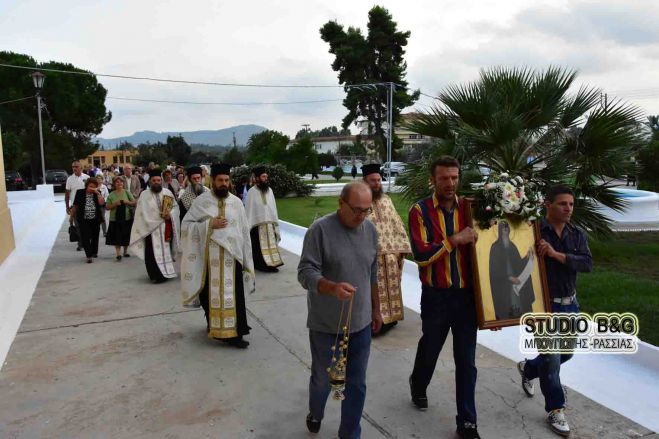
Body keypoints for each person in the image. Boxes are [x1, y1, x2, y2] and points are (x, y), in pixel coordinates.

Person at [298, 182, 383, 438]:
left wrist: (376, 311)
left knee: (356, 384)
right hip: (326, 325)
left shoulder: (370, 231)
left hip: (362, 324)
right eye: (356, 210)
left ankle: (349, 433)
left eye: (366, 210)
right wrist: (332, 287)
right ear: (340, 203)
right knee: (325, 380)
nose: (361, 216)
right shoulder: (319, 231)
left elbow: (372, 275)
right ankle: (316, 411)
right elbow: (305, 273)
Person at [408, 156, 482, 439]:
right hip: (436, 296)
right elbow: (422, 255)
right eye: (444, 178)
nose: (450, 183)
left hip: (466, 299)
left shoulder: (472, 209)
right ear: (433, 180)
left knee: (466, 361)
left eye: (454, 177)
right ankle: (418, 382)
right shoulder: (420, 211)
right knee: (431, 348)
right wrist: (454, 240)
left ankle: (467, 422)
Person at [517, 185, 592, 437]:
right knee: (551, 359)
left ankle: (528, 368)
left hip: (570, 304)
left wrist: (556, 254)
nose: (568, 208)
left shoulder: (577, 234)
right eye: (562, 204)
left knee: (565, 354)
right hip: (543, 305)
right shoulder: (533, 230)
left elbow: (587, 263)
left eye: (571, 204)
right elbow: (522, 261)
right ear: (547, 204)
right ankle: (555, 409)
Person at [180, 163, 255, 349]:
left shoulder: (237, 203)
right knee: (209, 295)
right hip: (209, 259)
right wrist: (208, 224)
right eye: (220, 180)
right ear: (212, 181)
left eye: (226, 180)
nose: (223, 183)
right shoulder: (202, 201)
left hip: (233, 257)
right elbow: (186, 226)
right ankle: (213, 325)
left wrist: (246, 256)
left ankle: (236, 333)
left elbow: (244, 231)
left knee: (234, 296)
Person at [362, 163, 411, 335]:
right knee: (373, 290)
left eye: (378, 180)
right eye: (372, 180)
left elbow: (396, 223)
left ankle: (392, 319)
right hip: (371, 257)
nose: (376, 183)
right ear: (364, 181)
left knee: (392, 288)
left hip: (390, 256)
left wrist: (401, 247)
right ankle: (375, 323)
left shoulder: (387, 200)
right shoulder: (359, 201)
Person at [129, 169, 180, 283]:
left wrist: (170, 215)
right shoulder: (144, 195)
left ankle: (166, 273)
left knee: (166, 251)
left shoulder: (167, 193)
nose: (156, 182)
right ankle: (154, 275)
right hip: (150, 230)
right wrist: (152, 222)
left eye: (158, 180)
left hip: (165, 228)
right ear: (150, 182)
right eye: (154, 180)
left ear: (161, 181)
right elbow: (141, 213)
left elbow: (175, 208)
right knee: (151, 253)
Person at [489, 220, 536, 320]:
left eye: (507, 228)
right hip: (503, 285)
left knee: (519, 307)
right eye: (503, 229)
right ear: (500, 230)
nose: (505, 231)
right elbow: (493, 271)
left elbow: (518, 264)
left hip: (516, 284)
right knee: (507, 309)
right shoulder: (495, 247)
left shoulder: (512, 246)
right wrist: (509, 278)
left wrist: (526, 258)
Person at [244, 167, 284, 272]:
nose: (266, 178)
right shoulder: (252, 192)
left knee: (271, 245)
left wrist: (274, 221)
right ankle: (261, 265)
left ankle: (272, 263)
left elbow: (272, 208)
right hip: (257, 226)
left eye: (266, 176)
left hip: (269, 224)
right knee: (258, 247)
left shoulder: (269, 190)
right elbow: (249, 210)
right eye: (263, 176)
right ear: (257, 178)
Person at [70, 178, 105, 263]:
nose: (92, 188)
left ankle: (94, 252)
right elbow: (75, 206)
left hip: (95, 219)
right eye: (90, 186)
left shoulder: (97, 193)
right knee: (85, 237)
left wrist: (97, 194)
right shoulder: (80, 192)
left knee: (95, 236)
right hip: (83, 219)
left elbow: (102, 203)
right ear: (86, 186)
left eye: (94, 187)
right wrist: (71, 217)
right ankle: (88, 256)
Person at [105, 176, 137, 261]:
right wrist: (115, 204)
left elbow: (134, 202)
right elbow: (107, 207)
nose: (119, 184)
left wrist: (127, 202)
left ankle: (125, 251)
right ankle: (118, 253)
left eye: (121, 182)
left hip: (127, 218)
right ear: (114, 184)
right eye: (117, 182)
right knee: (117, 236)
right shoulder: (111, 194)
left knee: (126, 235)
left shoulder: (127, 192)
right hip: (115, 219)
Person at [65, 160, 90, 251]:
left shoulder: (87, 177)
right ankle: (80, 243)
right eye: (73, 167)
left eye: (76, 166)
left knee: (87, 225)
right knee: (78, 225)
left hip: (87, 205)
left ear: (81, 168)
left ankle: (86, 241)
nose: (74, 168)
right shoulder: (70, 179)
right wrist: (67, 207)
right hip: (75, 206)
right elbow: (67, 194)